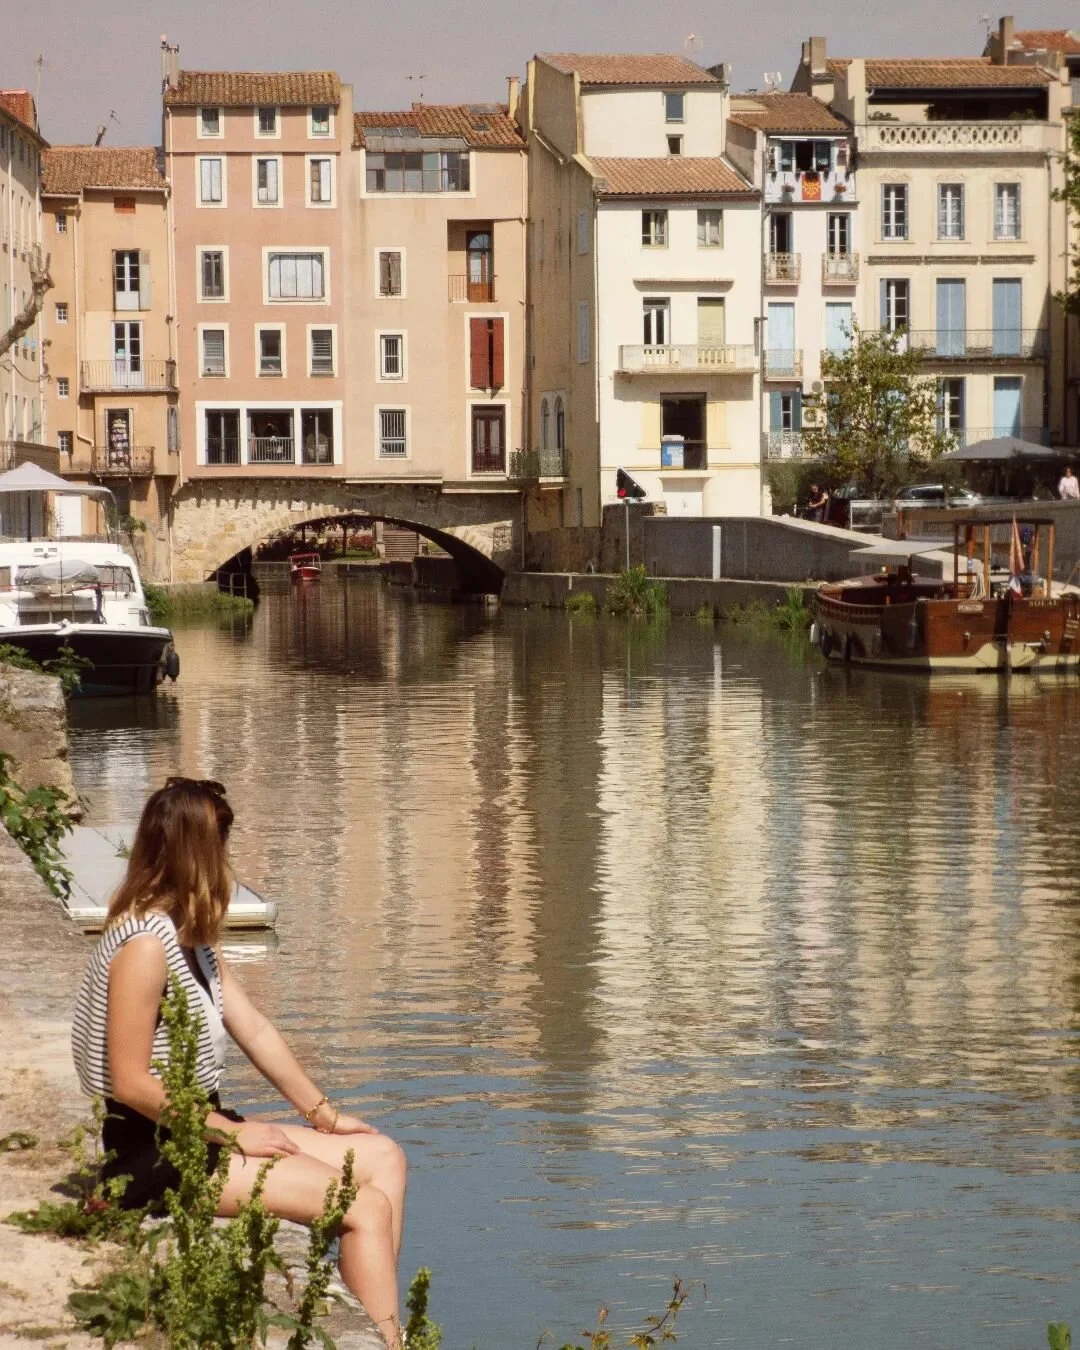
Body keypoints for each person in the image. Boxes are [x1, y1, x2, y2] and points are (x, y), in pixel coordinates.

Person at [72, 777, 407, 1350]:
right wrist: (231, 1133)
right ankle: (386, 1342)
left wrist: (322, 1113)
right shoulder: (144, 946)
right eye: (221, 844)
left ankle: (369, 1320)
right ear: (198, 852)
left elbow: (252, 1026)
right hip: (156, 1152)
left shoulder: (189, 937)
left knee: (383, 1156)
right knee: (363, 1205)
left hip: (200, 1128)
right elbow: (129, 1081)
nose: (227, 860)